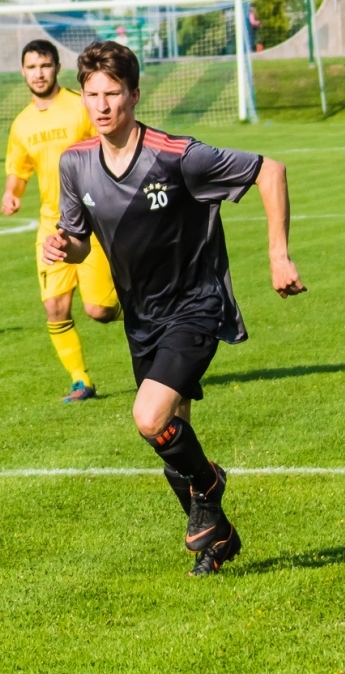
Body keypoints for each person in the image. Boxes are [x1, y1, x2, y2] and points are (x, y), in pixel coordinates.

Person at [44, 41, 305, 576]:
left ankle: (211, 483)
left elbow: (270, 171)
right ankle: (218, 538)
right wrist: (61, 247)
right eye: (91, 94)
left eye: (112, 93)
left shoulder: (175, 154)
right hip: (142, 316)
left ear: (135, 95)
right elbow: (78, 241)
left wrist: (277, 255)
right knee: (170, 437)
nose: (101, 105)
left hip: (196, 304)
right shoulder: (74, 164)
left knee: (149, 416)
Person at [0, 39, 121, 402]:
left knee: (98, 310)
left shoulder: (79, 106)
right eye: (32, 67)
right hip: (53, 226)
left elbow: (108, 144)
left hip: (91, 221)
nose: (39, 74)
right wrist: (12, 192)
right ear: (23, 72)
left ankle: (147, 308)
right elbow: (19, 168)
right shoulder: (21, 124)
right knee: (55, 307)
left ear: (56, 68)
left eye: (45, 66)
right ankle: (80, 380)